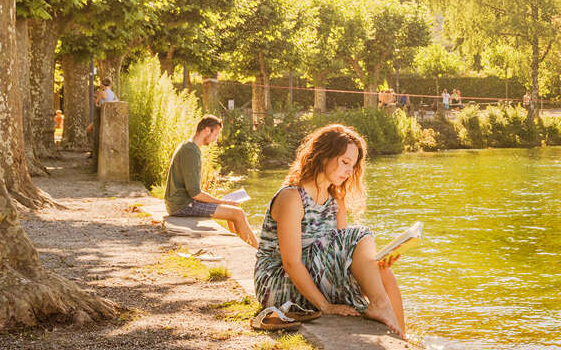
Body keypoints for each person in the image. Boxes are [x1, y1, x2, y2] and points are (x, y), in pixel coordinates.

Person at [253, 123, 404, 335]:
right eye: (344, 162)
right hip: (278, 284)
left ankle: (402, 337)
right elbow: (290, 263)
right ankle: (379, 306)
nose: (349, 171)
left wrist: (374, 262)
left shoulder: (336, 199)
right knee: (360, 234)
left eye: (353, 166)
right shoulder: (292, 197)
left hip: (315, 273)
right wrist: (326, 306)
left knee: (383, 272)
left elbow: (342, 253)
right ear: (324, 156)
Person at [164, 115, 257, 248]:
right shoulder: (191, 151)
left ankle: (243, 245)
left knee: (234, 208)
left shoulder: (189, 147)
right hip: (182, 205)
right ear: (207, 130)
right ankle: (258, 252)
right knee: (238, 213)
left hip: (181, 202)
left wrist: (223, 202)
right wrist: (222, 201)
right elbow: (195, 193)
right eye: (216, 134)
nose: (215, 139)